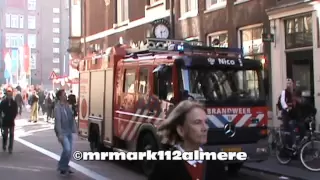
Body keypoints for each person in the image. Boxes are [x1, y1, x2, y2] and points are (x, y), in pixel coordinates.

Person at [149, 100, 227, 180]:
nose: (205, 128)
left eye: (206, 122)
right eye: (197, 122)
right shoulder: (164, 165)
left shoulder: (215, 163)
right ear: (181, 130)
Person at [54, 89, 77, 176]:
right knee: (67, 149)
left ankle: (65, 166)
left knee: (69, 151)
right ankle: (62, 166)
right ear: (60, 97)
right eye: (64, 94)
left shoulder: (67, 105)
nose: (65, 96)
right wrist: (59, 134)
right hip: (62, 132)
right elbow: (58, 121)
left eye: (65, 94)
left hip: (69, 131)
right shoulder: (57, 107)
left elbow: (72, 117)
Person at [0, 87, 18, 154]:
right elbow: (0, 110)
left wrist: (13, 116)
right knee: (5, 135)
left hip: (11, 121)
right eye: (8, 94)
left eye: (11, 94)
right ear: (7, 95)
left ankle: (10, 148)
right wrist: (1, 117)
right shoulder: (3, 102)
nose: (10, 96)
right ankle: (4, 144)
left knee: (12, 134)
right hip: (5, 121)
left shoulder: (14, 103)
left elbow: (16, 111)